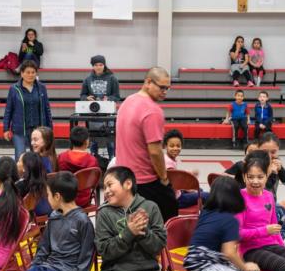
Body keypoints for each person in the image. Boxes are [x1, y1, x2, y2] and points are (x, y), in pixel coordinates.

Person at [115, 66, 177, 222]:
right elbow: (155, 151)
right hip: (145, 181)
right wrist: (164, 178)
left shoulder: (128, 101)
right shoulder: (152, 110)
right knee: (170, 219)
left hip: (123, 177)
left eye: (167, 88)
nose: (165, 92)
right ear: (148, 82)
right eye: (162, 87)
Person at [3, 60, 53, 159]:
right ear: (22, 73)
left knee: (38, 157)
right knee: (20, 157)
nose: (30, 75)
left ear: (36, 73)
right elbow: (8, 110)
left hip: (38, 129)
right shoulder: (14, 89)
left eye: (33, 72)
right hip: (19, 130)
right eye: (27, 72)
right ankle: (20, 174)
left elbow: (47, 109)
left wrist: (50, 128)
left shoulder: (42, 88)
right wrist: (5, 129)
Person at [80, 54, 121, 158]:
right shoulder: (87, 79)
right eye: (96, 65)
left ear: (104, 65)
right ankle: (94, 160)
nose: (98, 67)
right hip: (93, 116)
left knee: (110, 141)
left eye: (101, 64)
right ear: (93, 66)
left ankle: (112, 161)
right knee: (93, 141)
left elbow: (117, 96)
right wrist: (86, 98)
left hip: (108, 115)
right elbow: (82, 95)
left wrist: (109, 99)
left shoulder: (112, 78)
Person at [162, 129, 208, 209]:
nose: (175, 148)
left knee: (199, 190)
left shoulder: (166, 158)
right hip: (177, 200)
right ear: (165, 146)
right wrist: (189, 188)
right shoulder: (168, 164)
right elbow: (173, 185)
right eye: (172, 146)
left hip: (176, 193)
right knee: (206, 195)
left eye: (178, 146)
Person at [57, 125, 100, 208]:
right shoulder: (92, 160)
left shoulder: (62, 157)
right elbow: (95, 182)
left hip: (65, 199)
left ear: (71, 141)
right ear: (86, 142)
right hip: (83, 200)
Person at [16, 152, 53, 219]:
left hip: (29, 220)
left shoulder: (20, 186)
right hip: (49, 216)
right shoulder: (47, 181)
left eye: (18, 161)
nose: (17, 163)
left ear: (24, 168)